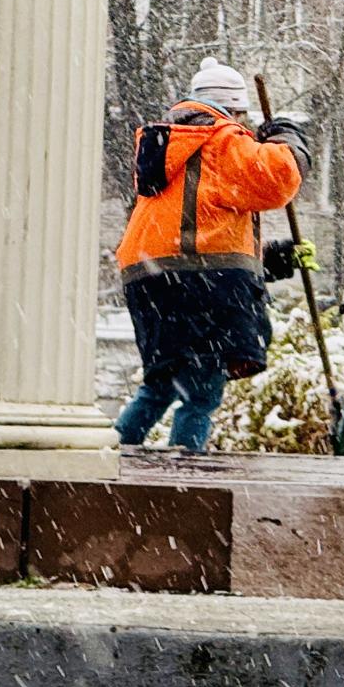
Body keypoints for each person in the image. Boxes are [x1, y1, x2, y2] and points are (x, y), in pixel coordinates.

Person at [114, 58, 312, 452]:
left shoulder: (177, 142)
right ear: (234, 109)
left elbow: (197, 227)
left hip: (153, 278)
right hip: (197, 284)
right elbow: (279, 178)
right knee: (202, 392)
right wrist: (288, 138)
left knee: (163, 384)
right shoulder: (220, 139)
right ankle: (186, 478)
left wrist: (269, 260)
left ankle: (110, 456)